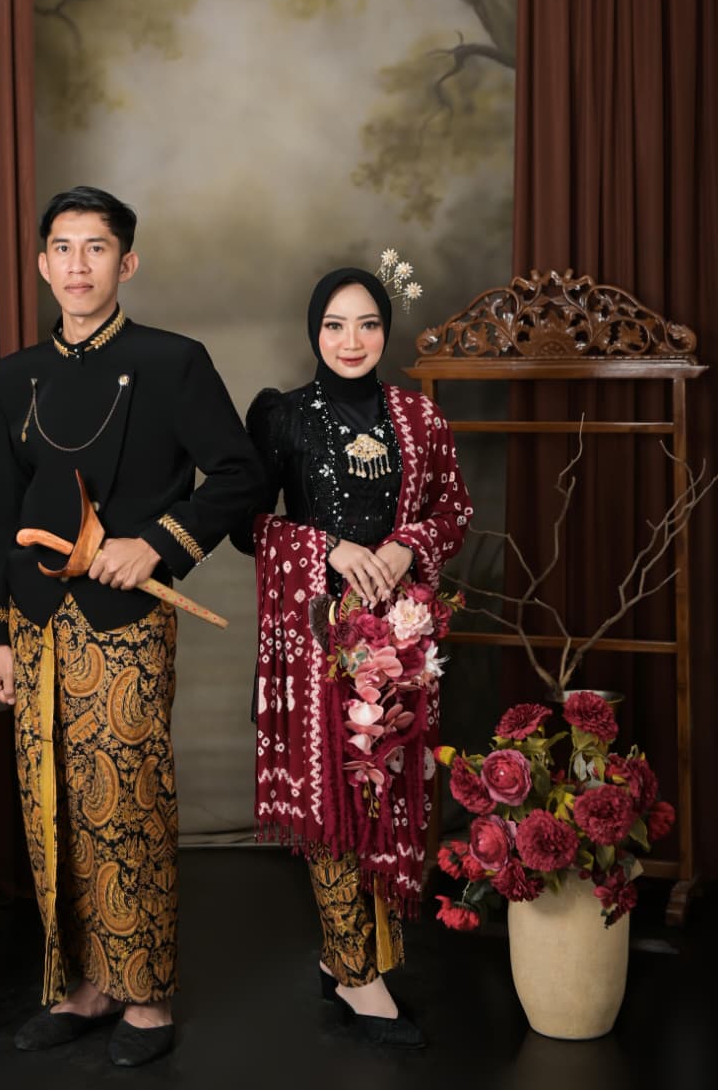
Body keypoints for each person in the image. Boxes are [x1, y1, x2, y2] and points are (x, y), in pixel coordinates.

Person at [0, 185, 264, 1066]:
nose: (78, 265)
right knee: (51, 809)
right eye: (63, 249)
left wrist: (158, 545)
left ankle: (145, 993)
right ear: (42, 264)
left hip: (126, 621)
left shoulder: (174, 362)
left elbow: (240, 473)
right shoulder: (12, 377)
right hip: (36, 621)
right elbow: (1, 512)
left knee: (128, 802)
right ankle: (85, 986)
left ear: (126, 262)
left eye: (96, 248)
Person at [233, 267, 471, 1048]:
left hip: (399, 636)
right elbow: (247, 524)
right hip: (316, 640)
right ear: (315, 331)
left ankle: (351, 958)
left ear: (385, 331)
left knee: (385, 791)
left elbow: (454, 508)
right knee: (333, 795)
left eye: (367, 324)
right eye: (335, 325)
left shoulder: (418, 417)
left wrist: (409, 546)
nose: (351, 340)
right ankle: (358, 975)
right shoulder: (283, 417)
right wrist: (326, 548)